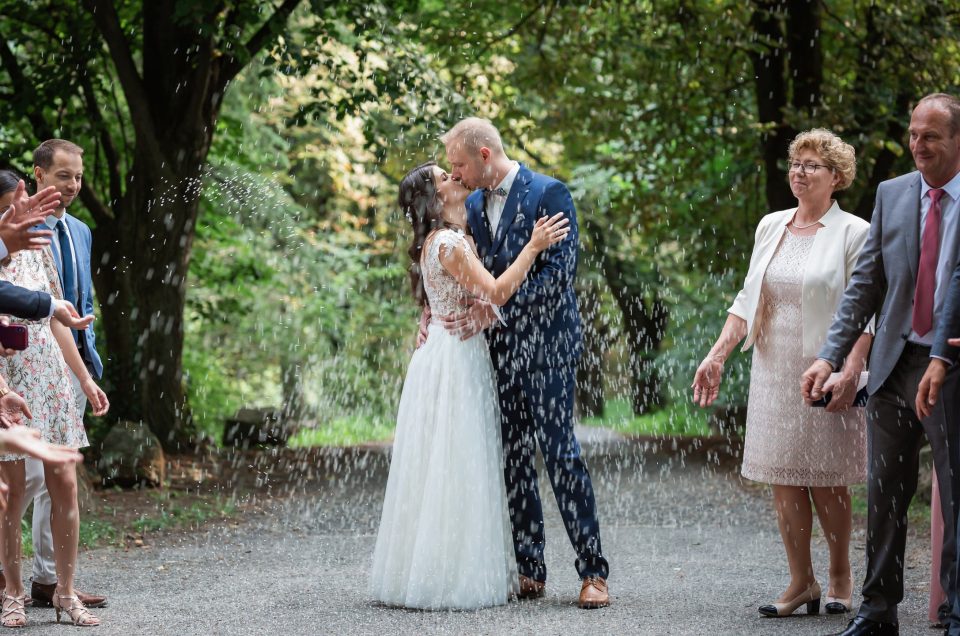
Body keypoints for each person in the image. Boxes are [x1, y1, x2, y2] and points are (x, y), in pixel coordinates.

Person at [426, 117, 609, 609]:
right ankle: (531, 568)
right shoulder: (474, 205)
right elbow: (464, 273)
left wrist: (497, 307)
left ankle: (593, 572)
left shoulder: (550, 194)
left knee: (561, 456)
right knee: (512, 460)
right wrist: (435, 312)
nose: (454, 174)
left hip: (548, 349)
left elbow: (557, 275)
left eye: (458, 164)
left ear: (484, 155)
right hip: (498, 353)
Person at [370, 161, 569, 609]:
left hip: (447, 351)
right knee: (458, 459)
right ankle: (450, 577)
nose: (455, 178)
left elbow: (457, 298)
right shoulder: (450, 243)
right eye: (445, 177)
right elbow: (497, 291)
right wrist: (534, 246)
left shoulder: (446, 240)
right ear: (435, 198)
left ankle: (435, 570)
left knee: (449, 462)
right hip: (456, 359)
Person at [692, 129, 871, 618]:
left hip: (824, 366)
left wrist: (851, 370)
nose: (800, 171)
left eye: (812, 165)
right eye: (795, 163)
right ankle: (800, 582)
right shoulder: (771, 225)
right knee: (784, 477)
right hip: (772, 366)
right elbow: (749, 301)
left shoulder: (854, 231)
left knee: (829, 478)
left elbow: (866, 312)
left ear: (836, 177)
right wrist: (718, 354)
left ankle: (839, 575)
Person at [802, 93, 960, 636]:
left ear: (957, 140)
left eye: (931, 136)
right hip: (894, 363)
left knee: (956, 488)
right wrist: (829, 356)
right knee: (885, 490)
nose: (917, 144)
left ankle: (956, 610)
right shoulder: (893, 194)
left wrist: (943, 353)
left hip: (952, 363)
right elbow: (865, 286)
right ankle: (877, 610)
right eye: (914, 133)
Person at [0, 171, 109, 627]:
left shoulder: (40, 250)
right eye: (9, 208)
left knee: (63, 481)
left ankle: (64, 593)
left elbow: (59, 317)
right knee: (11, 491)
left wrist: (83, 378)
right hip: (9, 379)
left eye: (21, 206)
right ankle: (11, 591)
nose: (20, 215)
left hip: (51, 378)